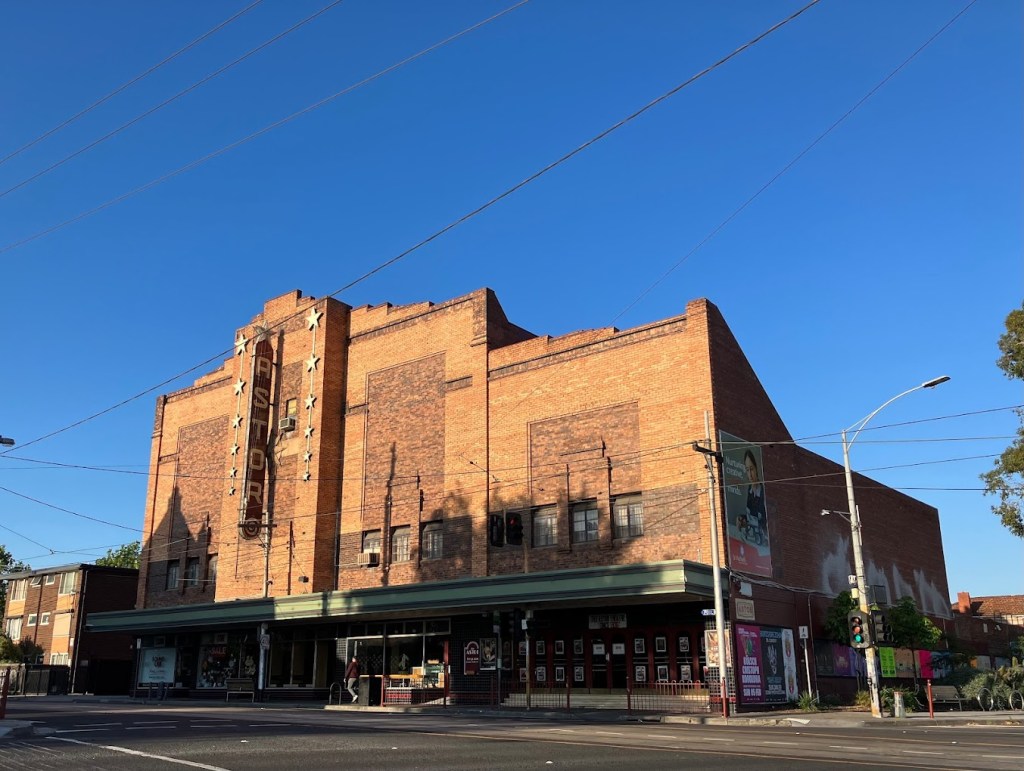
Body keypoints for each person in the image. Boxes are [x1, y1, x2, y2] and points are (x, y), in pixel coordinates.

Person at [743, 450, 767, 542]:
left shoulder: (762, 491)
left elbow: (764, 518)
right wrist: (742, 519)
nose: (750, 475)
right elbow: (749, 512)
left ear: (756, 468)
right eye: (747, 470)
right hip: (752, 535)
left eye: (751, 469)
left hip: (762, 536)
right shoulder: (750, 490)